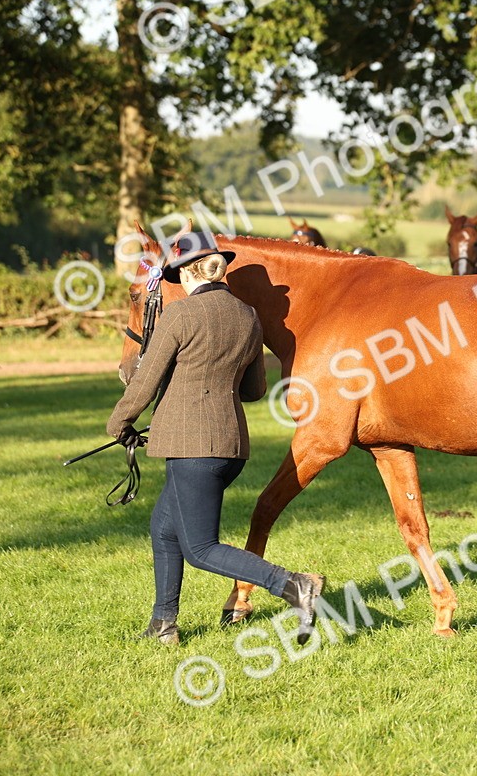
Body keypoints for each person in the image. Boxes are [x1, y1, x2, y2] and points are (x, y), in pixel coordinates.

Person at [107, 232, 325, 646]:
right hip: (231, 447)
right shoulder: (248, 316)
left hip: (193, 449)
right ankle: (163, 623)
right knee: (164, 529)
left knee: (200, 548)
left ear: (190, 273)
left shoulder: (180, 314)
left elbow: (144, 383)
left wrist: (119, 424)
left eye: (178, 276)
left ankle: (295, 585)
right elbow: (254, 390)